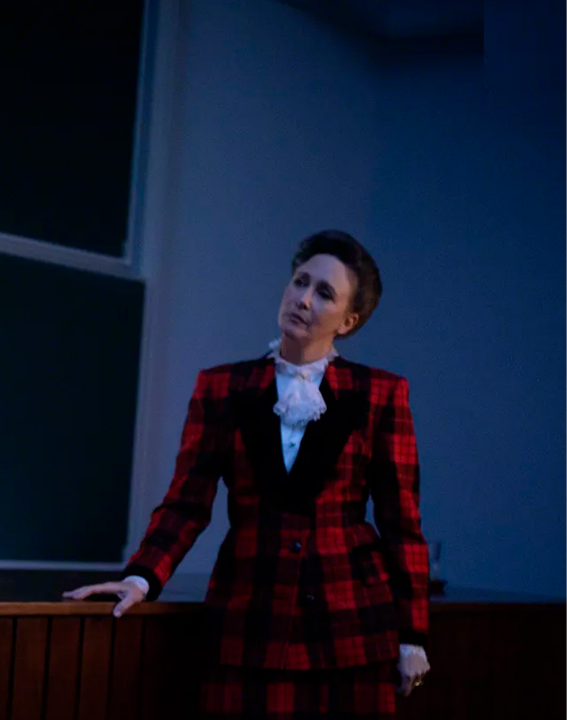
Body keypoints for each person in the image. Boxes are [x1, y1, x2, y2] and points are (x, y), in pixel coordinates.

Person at [65, 231, 431, 718]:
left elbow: (402, 524)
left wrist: (412, 634)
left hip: (350, 623)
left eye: (324, 293)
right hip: (250, 617)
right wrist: (141, 578)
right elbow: (186, 503)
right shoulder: (222, 387)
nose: (303, 299)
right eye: (300, 281)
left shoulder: (380, 394)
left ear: (348, 320)